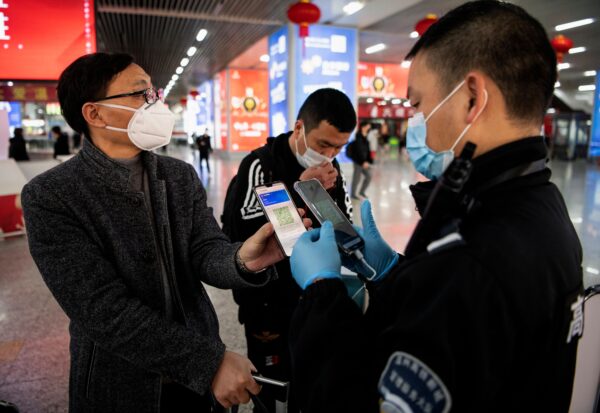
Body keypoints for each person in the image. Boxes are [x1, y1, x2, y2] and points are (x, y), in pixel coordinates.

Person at [287, 2, 583, 412]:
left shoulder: (473, 257)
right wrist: (399, 275)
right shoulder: (541, 205)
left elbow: (356, 398)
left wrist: (322, 292)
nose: (418, 119)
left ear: (472, 97)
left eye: (419, 104)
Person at [21, 53, 309, 413]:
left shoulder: (179, 176)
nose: (155, 103)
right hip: (122, 384)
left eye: (153, 93)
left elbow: (205, 249)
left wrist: (242, 260)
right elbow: (103, 312)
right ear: (94, 113)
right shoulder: (52, 196)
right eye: (140, 95)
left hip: (196, 382)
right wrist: (209, 363)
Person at [224, 88, 356, 412]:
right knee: (270, 388)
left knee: (309, 381)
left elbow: (341, 226)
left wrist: (327, 200)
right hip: (267, 303)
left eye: (340, 147)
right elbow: (244, 234)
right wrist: (300, 188)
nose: (330, 154)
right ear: (299, 129)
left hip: (311, 298)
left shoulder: (332, 172)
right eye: (324, 144)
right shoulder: (260, 164)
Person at [350, 121, 373, 200]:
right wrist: (363, 161)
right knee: (356, 178)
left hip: (364, 162)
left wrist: (368, 160)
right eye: (368, 126)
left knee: (369, 176)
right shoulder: (358, 136)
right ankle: (353, 194)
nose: (369, 127)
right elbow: (359, 150)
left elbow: (367, 150)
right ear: (363, 126)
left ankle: (361, 192)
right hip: (358, 161)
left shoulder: (365, 135)